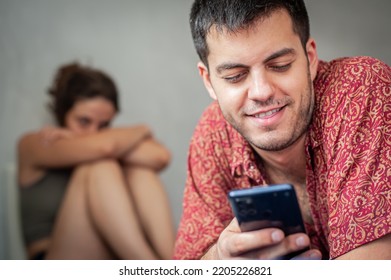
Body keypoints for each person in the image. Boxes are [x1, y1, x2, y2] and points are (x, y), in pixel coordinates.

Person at [174, 0, 391, 260]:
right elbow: (189, 263)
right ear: (209, 81)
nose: (261, 91)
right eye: (234, 76)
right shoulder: (214, 132)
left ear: (310, 58)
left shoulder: (359, 89)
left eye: (280, 65)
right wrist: (219, 260)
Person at [18, 62, 175, 260]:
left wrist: (139, 129)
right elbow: (105, 148)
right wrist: (142, 130)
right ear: (62, 114)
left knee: (140, 170)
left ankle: (175, 262)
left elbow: (160, 156)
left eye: (104, 125)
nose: (94, 132)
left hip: (108, 255)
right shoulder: (36, 142)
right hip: (55, 262)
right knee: (100, 164)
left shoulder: (104, 143)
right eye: (84, 121)